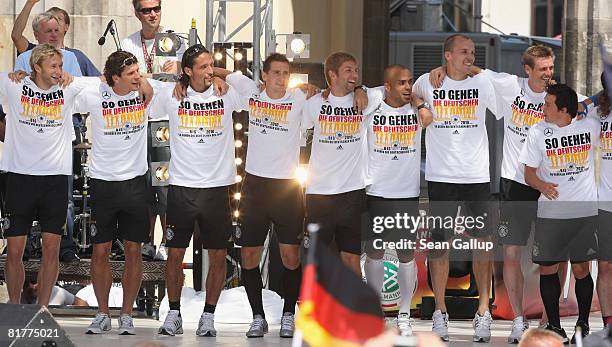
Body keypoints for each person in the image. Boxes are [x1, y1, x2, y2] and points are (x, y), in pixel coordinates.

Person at [430, 44, 555, 343]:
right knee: (511, 253)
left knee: (552, 257)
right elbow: (475, 69)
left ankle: (550, 321)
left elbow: (585, 107)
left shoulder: (559, 95)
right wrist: (443, 70)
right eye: (543, 69)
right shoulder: (510, 86)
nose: (549, 74)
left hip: (552, 183)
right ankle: (518, 319)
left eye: (551, 68)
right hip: (514, 181)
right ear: (527, 70)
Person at [210, 53, 308, 338]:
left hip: (288, 187)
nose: (281, 78)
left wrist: (360, 90)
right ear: (264, 75)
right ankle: (258, 316)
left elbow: (329, 94)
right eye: (276, 73)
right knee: (249, 254)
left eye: (286, 73)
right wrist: (202, 75)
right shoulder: (250, 91)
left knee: (290, 255)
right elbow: (222, 71)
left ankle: (289, 313)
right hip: (255, 186)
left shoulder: (299, 99)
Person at [411, 34, 500, 342]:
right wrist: (422, 104)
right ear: (447, 55)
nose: (471, 56)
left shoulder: (482, 84)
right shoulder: (427, 81)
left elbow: (502, 103)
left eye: (473, 52)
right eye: (464, 52)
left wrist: (474, 71)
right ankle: (439, 312)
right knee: (439, 245)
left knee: (482, 244)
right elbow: (407, 91)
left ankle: (483, 312)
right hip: (441, 177)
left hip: (476, 177)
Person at [152, 44, 242, 337]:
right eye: (201, 67)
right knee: (175, 254)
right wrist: (179, 81)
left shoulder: (225, 92)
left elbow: (250, 83)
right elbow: (141, 84)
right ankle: (174, 313)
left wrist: (216, 73)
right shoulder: (172, 94)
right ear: (187, 71)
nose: (208, 71)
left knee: (217, 256)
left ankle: (209, 316)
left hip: (217, 188)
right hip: (182, 188)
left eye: (210, 65)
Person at [0, 44, 99, 307]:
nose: (59, 71)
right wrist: (14, 74)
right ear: (36, 67)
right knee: (14, 251)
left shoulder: (69, 87)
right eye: (53, 66)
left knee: (52, 249)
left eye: (60, 66)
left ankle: (43, 308)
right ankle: (14, 305)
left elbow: (108, 81)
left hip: (55, 179)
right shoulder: (14, 86)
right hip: (20, 177)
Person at [73, 51, 156, 335]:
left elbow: (171, 84)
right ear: (114, 78)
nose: (137, 76)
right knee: (101, 251)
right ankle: (102, 312)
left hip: (135, 183)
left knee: (134, 251)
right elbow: (66, 84)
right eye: (130, 73)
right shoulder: (95, 92)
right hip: (103, 182)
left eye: (138, 71)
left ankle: (127, 315)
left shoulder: (143, 90)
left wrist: (144, 82)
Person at [520, 83, 599, 344]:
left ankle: (583, 323)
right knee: (547, 269)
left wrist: (586, 104)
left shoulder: (589, 127)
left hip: (583, 211)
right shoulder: (537, 131)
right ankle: (553, 325)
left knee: (580, 269)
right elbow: (529, 173)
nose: (542, 108)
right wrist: (542, 185)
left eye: (548, 105)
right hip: (551, 213)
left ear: (564, 110)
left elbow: (605, 96)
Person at [363, 64, 431, 336]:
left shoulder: (417, 110)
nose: (407, 87)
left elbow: (428, 118)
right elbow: (359, 91)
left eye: (409, 82)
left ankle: (404, 312)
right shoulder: (372, 106)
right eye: (401, 83)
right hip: (376, 190)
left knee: (405, 253)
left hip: (407, 192)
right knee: (374, 251)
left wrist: (419, 101)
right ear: (387, 87)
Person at [122, 0, 185, 260]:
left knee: (165, 186)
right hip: (137, 120)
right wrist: (153, 75)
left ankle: (168, 242)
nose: (152, 14)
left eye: (156, 8)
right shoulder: (128, 44)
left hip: (164, 121)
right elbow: (127, 76)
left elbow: (191, 72)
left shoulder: (176, 41)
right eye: (146, 10)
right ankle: (147, 242)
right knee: (143, 185)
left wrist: (180, 69)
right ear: (137, 13)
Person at [300, 52, 374, 275]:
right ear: (332, 74)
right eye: (349, 70)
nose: (355, 74)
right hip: (319, 192)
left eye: (356, 70)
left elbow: (393, 88)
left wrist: (360, 88)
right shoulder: (314, 104)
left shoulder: (366, 99)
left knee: (351, 256)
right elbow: (298, 131)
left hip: (352, 191)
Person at [589, 74, 612, 329]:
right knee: (605, 265)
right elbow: (574, 109)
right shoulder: (598, 114)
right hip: (605, 202)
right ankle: (608, 323)